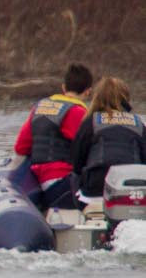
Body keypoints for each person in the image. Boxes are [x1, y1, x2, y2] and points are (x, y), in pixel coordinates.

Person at [13, 62, 93, 211]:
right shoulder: (79, 113)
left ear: (63, 87)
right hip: (62, 182)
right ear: (88, 91)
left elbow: (21, 147)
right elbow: (89, 152)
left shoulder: (39, 107)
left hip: (38, 181)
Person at [71, 76, 145, 199]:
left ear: (98, 97)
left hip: (95, 186)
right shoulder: (138, 124)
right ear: (125, 98)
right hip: (130, 188)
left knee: (74, 176)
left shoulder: (90, 123)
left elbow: (76, 161)